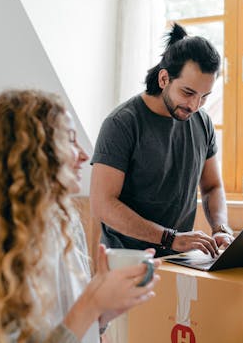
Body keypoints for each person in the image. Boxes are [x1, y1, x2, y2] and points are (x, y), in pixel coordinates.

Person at [0, 90, 160, 343]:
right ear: (29, 154)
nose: (84, 155)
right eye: (70, 140)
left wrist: (103, 313)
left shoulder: (65, 222)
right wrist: (91, 303)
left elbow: (69, 325)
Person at [90, 23, 234, 258]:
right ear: (164, 78)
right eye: (187, 93)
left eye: (204, 97)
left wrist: (221, 228)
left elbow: (212, 186)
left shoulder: (202, 122)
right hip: (126, 261)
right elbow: (102, 204)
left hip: (177, 259)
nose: (194, 106)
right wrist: (170, 237)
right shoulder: (122, 123)